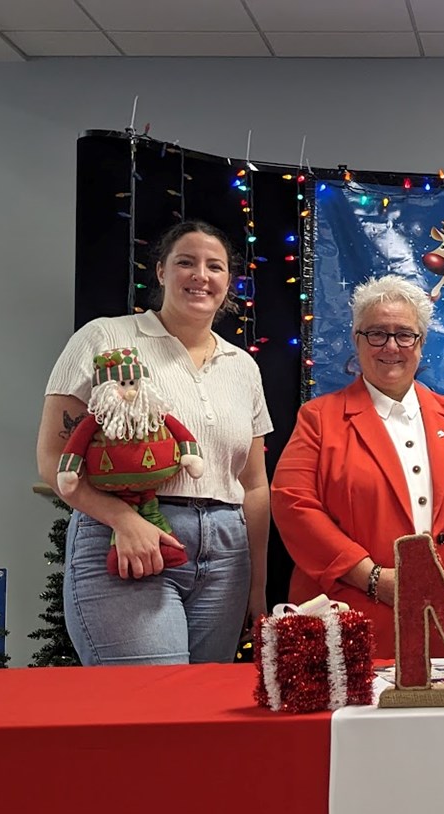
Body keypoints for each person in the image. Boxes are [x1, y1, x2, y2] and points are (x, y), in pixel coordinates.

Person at [36, 221, 272, 666]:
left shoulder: (242, 366)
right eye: (186, 262)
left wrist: (256, 584)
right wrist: (123, 520)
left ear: (229, 282)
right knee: (152, 706)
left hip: (226, 556)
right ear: (161, 272)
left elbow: (254, 484)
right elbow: (53, 458)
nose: (200, 275)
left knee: (204, 718)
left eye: (214, 266)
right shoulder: (106, 337)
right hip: (128, 540)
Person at [271, 275, 444, 659]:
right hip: (354, 623)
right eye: (377, 334)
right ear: (356, 339)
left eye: (405, 335)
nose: (391, 346)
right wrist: (371, 578)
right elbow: (293, 504)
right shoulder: (318, 418)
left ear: (420, 344)